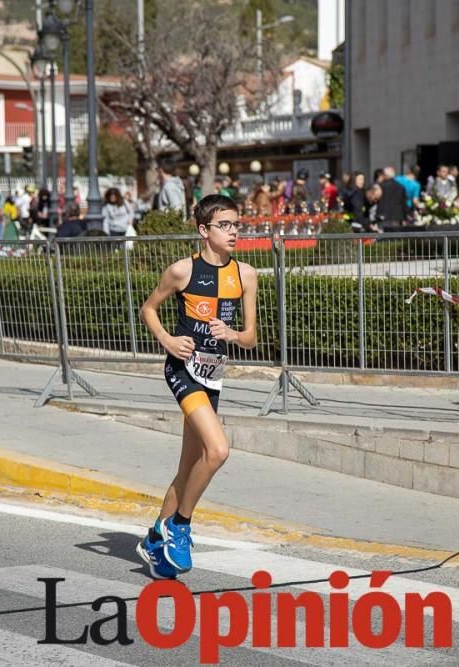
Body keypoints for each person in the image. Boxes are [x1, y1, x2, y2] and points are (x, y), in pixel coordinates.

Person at [136, 194, 258, 578]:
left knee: (190, 466)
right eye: (225, 225)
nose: (234, 231)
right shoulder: (182, 271)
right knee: (218, 450)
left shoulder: (246, 275)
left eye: (237, 224)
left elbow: (252, 337)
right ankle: (180, 525)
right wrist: (168, 340)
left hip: (213, 374)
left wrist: (234, 334)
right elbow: (148, 308)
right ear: (204, 230)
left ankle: (155, 539)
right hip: (182, 369)